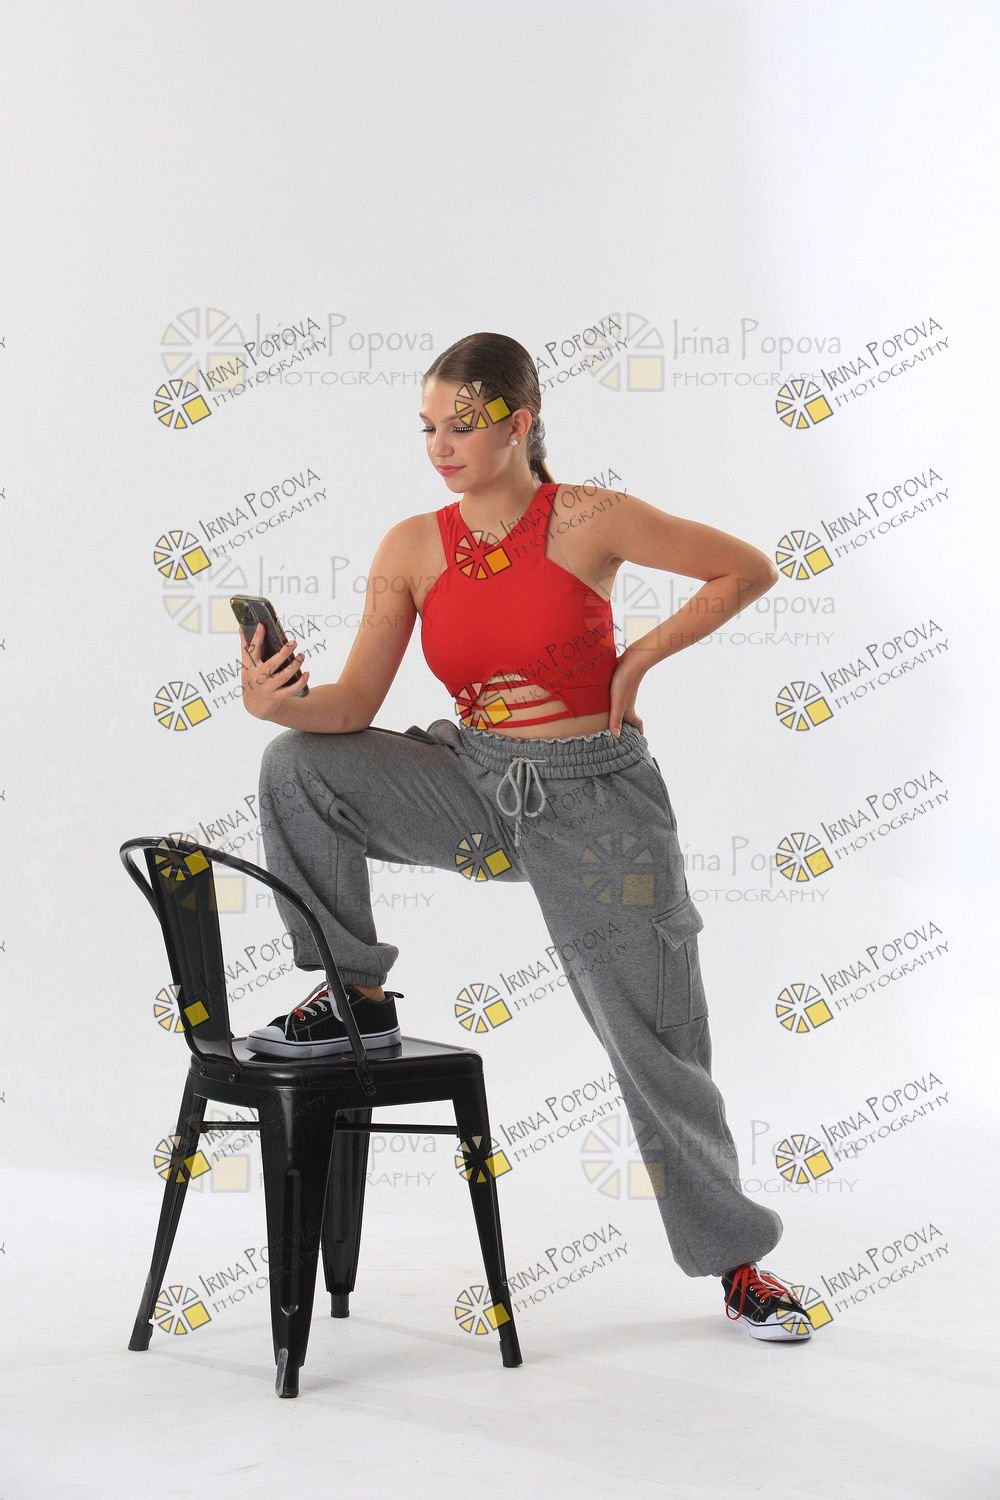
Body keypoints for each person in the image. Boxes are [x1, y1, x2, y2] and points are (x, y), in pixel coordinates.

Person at [238, 330, 813, 1344]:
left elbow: (745, 569)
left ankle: (738, 1265)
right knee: (297, 767)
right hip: (473, 782)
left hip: (596, 802)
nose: (441, 446)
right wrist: (274, 702)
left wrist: (634, 665)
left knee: (656, 1040)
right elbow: (354, 706)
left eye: (461, 426)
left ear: (519, 422)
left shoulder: (589, 516)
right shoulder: (411, 547)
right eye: (427, 427)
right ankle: (354, 993)